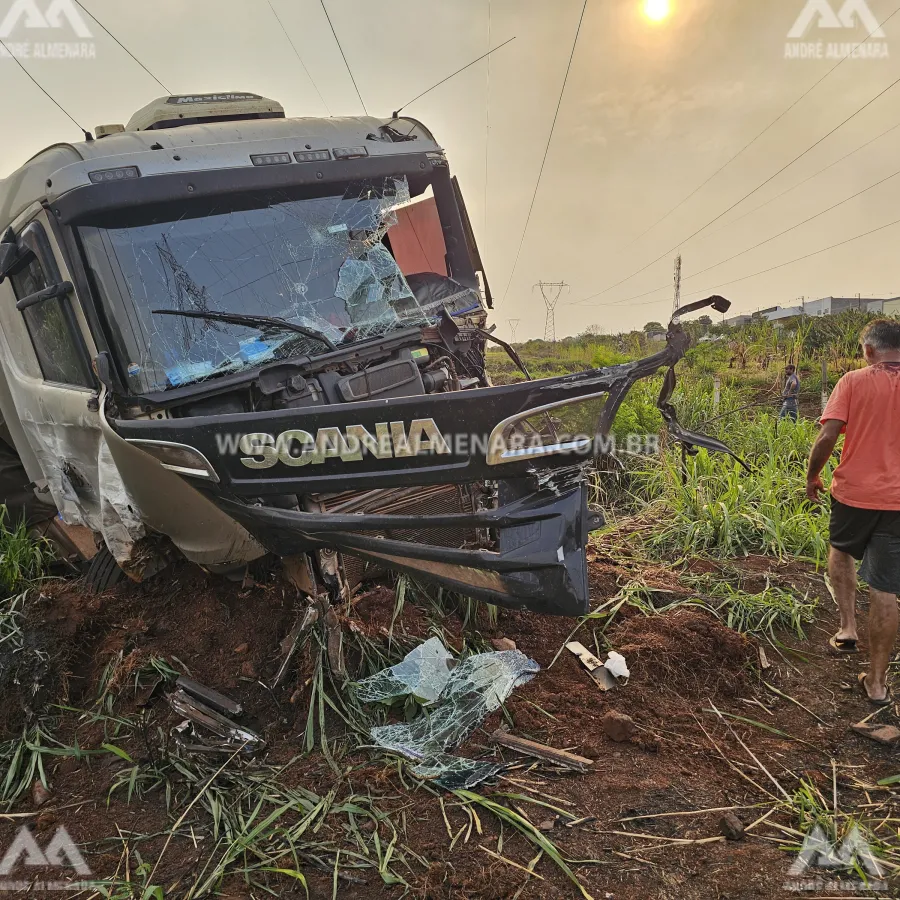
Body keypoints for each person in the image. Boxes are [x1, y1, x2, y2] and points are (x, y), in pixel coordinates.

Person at [806, 319, 900, 704]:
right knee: (886, 589)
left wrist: (812, 476)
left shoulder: (853, 381)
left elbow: (828, 434)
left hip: (853, 495)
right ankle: (877, 684)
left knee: (840, 551)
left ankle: (847, 628)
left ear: (869, 351)